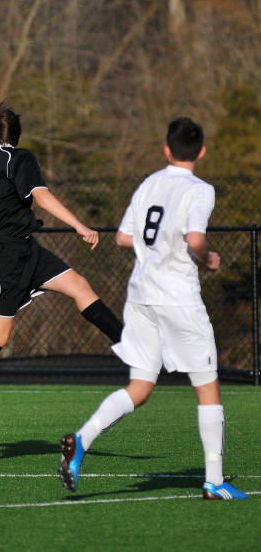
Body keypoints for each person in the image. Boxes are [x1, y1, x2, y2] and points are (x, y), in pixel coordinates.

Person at [59, 117, 248, 500]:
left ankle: (82, 439)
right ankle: (214, 480)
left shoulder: (150, 184)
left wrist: (157, 247)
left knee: (140, 387)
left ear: (166, 149)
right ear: (201, 151)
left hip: (141, 296)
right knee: (207, 385)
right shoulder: (200, 189)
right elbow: (195, 239)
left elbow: (123, 237)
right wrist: (206, 258)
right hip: (178, 297)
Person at [0, 100, 123, 438]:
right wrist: (79, 226)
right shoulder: (19, 158)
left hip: (25, 248)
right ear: (17, 135)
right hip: (2, 255)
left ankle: (130, 348)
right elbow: (41, 196)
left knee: (79, 286)